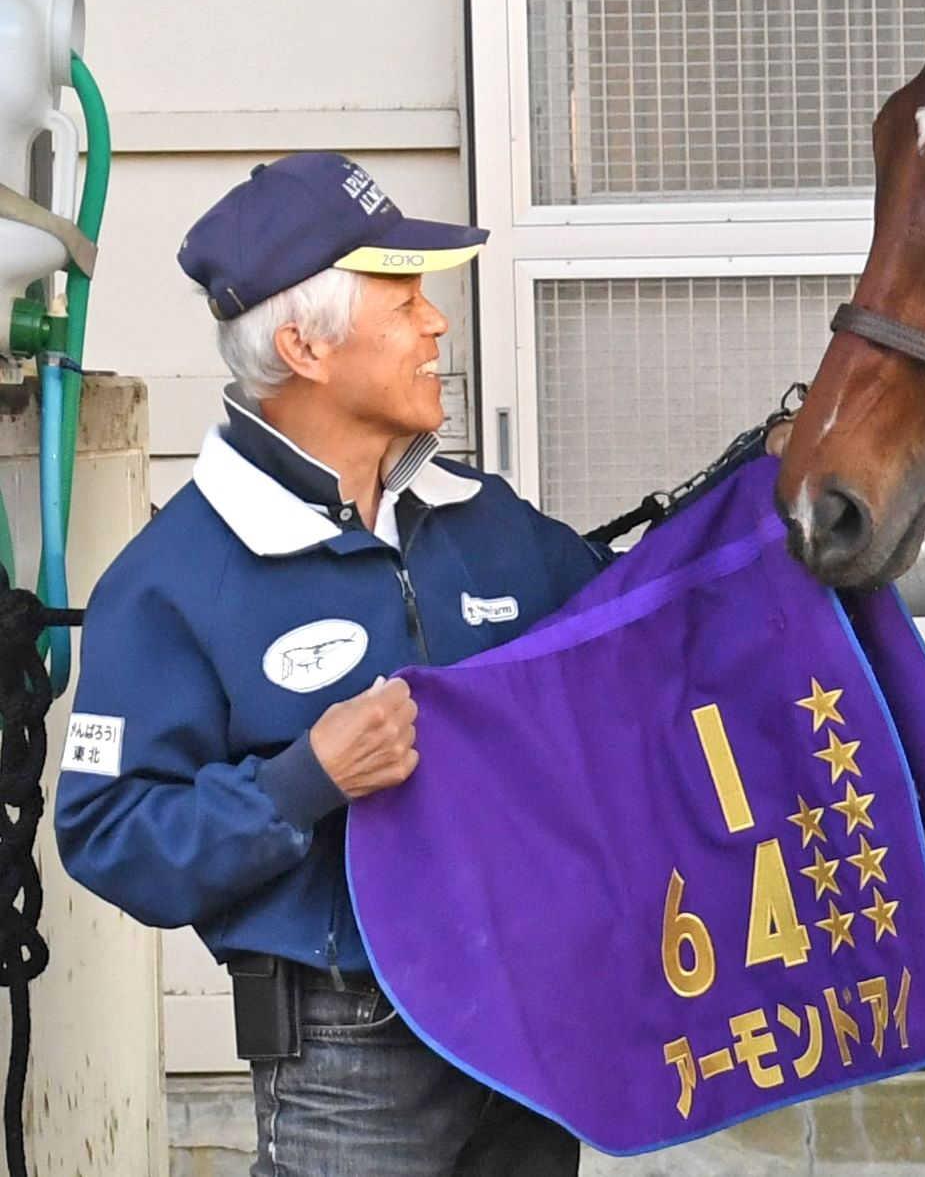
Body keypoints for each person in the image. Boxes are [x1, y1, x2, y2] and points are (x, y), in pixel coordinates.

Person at [55, 153, 602, 1176]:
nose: (438, 325)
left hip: (525, 1010)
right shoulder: (174, 578)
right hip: (346, 1046)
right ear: (305, 345)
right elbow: (108, 830)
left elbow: (631, 626)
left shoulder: (487, 524)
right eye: (403, 303)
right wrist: (299, 783)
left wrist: (770, 497)